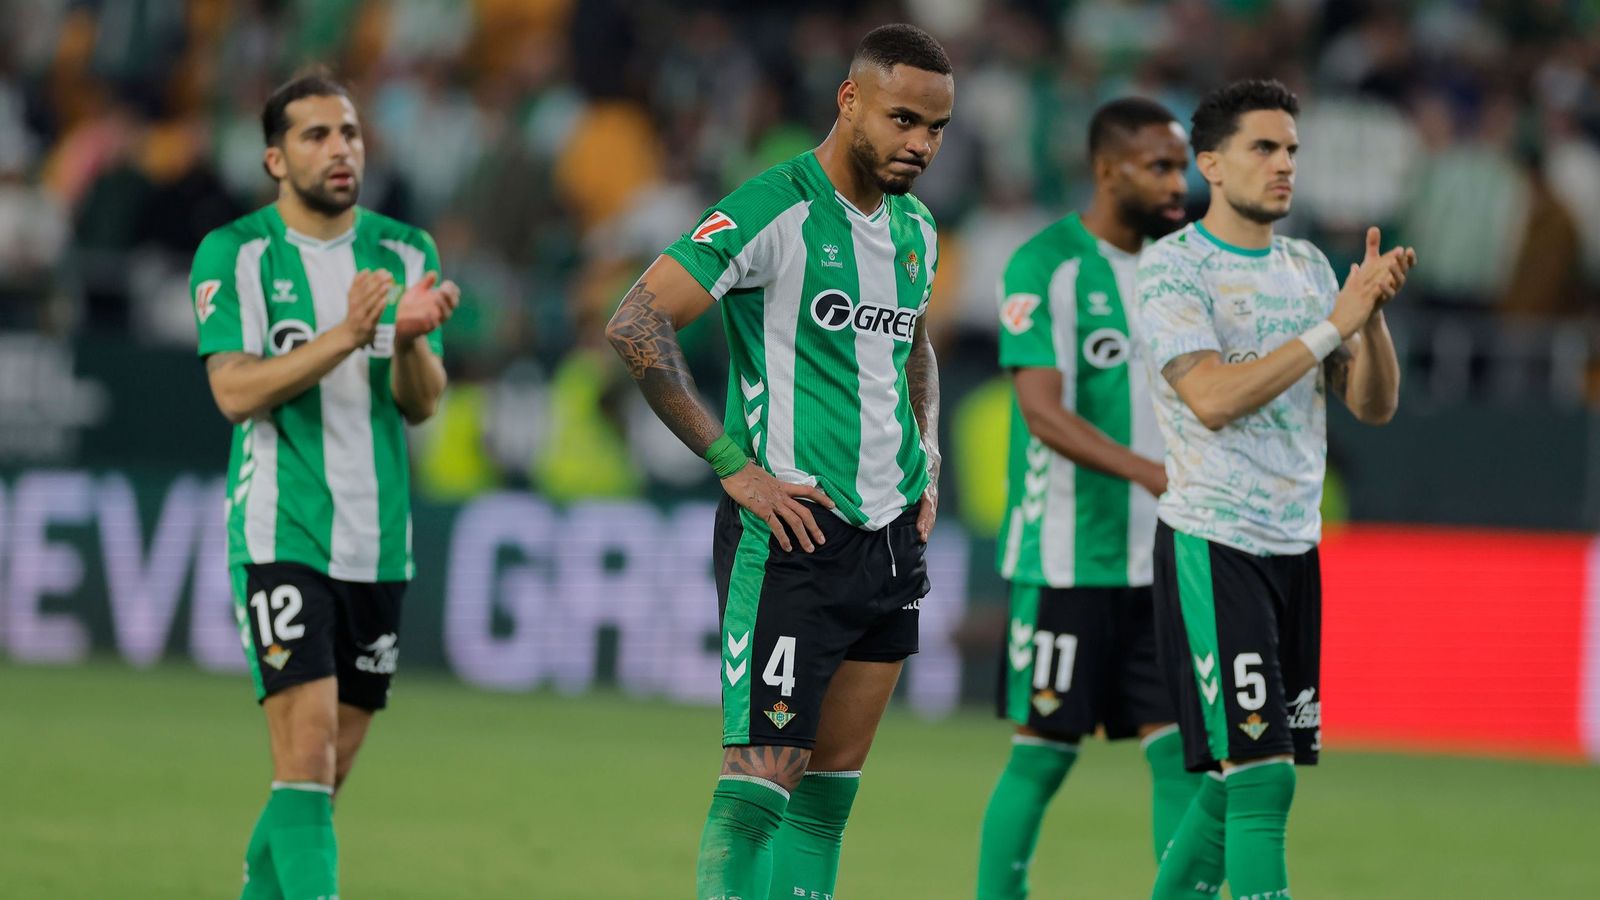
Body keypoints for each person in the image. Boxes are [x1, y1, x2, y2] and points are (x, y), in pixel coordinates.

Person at [603, 23, 952, 900]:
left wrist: (931, 452)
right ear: (849, 100)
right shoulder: (773, 207)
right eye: (904, 119)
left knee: (828, 800)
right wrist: (731, 463)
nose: (920, 144)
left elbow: (910, 344)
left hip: (889, 544)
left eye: (936, 128)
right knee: (759, 790)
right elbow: (635, 321)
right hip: (792, 534)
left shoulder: (917, 228)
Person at [1136, 79, 1414, 899]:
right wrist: (1335, 319)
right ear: (1211, 164)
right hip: (1213, 543)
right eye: (1265, 147)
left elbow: (1373, 404)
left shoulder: (1306, 267)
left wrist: (1370, 312)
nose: (1285, 163)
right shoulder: (1174, 267)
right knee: (1262, 776)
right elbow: (1213, 400)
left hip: (1295, 548)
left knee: (1235, 784)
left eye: (1292, 149)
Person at [190, 70, 459, 899]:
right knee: (303, 761)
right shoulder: (235, 253)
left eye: (349, 133)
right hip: (283, 531)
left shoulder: (405, 249)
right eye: (316, 135)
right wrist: (351, 333)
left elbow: (421, 404)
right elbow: (233, 392)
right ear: (275, 159)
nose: (340, 149)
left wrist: (408, 340)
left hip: (378, 543)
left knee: (317, 782)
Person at [976, 97, 1201, 899]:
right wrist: (1146, 470)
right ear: (1108, 170)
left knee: (1183, 754)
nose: (1181, 182)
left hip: (1165, 558)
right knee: (1041, 755)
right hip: (1066, 556)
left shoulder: (1185, 267)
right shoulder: (1047, 266)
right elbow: (1042, 411)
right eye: (1161, 166)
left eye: (1183, 165)